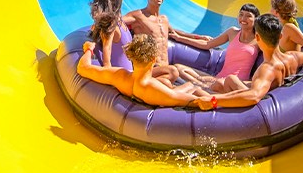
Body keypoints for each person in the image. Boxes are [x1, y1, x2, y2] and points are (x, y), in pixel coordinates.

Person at [190, 13, 303, 111]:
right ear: (280, 36)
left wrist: (214, 101)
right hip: (273, 89)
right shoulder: (293, 57)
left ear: (257, 37)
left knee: (199, 90)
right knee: (226, 81)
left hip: (262, 103)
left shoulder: (267, 69)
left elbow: (254, 96)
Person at [77, 12, 208, 107]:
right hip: (154, 97)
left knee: (168, 82)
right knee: (191, 86)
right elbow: (197, 102)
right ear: (153, 58)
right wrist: (218, 101)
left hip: (134, 88)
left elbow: (83, 68)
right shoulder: (153, 88)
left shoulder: (119, 75)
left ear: (131, 56)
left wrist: (88, 49)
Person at [126, 0, 215, 87]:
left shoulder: (164, 19)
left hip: (165, 69)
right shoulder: (138, 16)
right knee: (174, 72)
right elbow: (117, 22)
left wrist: (198, 37)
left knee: (186, 73)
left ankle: (211, 87)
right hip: (149, 70)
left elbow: (176, 33)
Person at [191, 3, 263, 93]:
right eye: (241, 14)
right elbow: (207, 44)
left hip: (237, 82)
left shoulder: (259, 39)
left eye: (248, 16)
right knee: (182, 69)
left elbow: (272, 53)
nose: (243, 19)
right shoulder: (232, 32)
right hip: (219, 78)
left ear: (256, 19)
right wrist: (179, 37)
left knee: (199, 86)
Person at [87, 0, 132, 69]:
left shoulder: (119, 21)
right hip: (121, 77)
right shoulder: (110, 22)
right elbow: (107, 49)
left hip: (129, 74)